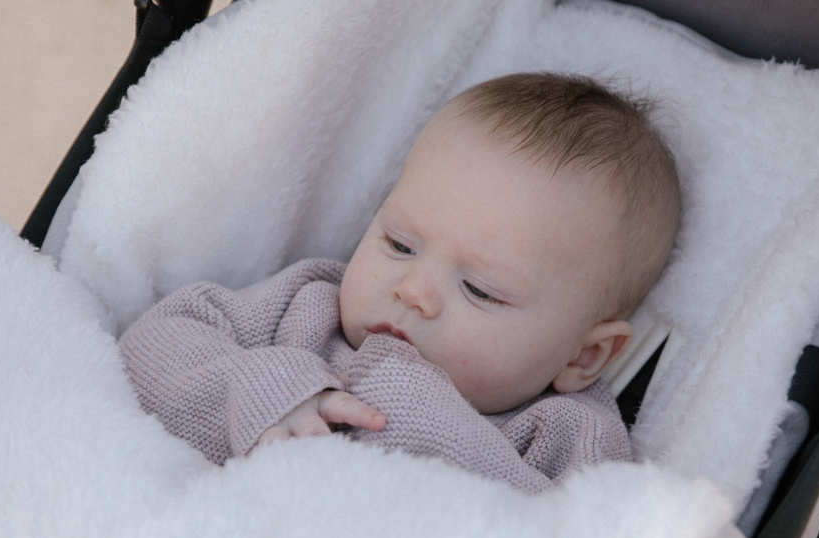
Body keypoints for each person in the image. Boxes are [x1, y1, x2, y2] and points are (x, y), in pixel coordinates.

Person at [119, 72, 681, 493]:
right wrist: (265, 392)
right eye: (400, 245)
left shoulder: (567, 436)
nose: (413, 290)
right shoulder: (306, 307)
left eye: (480, 290)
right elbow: (151, 345)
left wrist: (436, 441)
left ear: (584, 356)